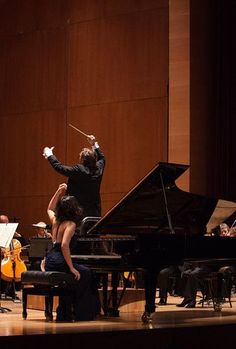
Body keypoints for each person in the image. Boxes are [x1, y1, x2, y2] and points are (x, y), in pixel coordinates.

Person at [44, 183, 101, 321]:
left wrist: (58, 191)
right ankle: (81, 312)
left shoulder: (55, 220)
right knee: (85, 273)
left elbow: (49, 208)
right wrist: (71, 268)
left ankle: (65, 308)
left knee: (82, 272)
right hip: (59, 258)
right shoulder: (70, 224)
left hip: (51, 259)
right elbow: (64, 245)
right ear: (73, 209)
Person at [43, 135, 105, 219]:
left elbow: (59, 167)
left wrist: (49, 154)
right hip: (94, 214)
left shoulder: (78, 170)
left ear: (82, 160)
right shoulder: (98, 168)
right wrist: (94, 144)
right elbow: (102, 158)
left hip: (77, 214)